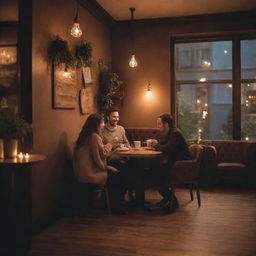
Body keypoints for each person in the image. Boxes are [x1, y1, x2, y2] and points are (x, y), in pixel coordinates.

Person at [73, 113, 126, 215]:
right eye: (101, 122)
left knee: (118, 168)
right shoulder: (94, 137)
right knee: (120, 176)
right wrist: (108, 167)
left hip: (80, 173)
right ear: (97, 124)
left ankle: (109, 203)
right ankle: (115, 206)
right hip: (91, 174)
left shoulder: (84, 136)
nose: (103, 125)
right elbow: (101, 158)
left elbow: (98, 154)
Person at [150, 113, 190, 212]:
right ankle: (168, 198)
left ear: (166, 124)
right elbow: (164, 144)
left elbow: (166, 148)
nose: (157, 126)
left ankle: (173, 201)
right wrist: (157, 143)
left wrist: (155, 145)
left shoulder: (175, 134)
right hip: (175, 164)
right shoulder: (171, 133)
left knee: (154, 174)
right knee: (154, 169)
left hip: (180, 167)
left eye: (159, 124)